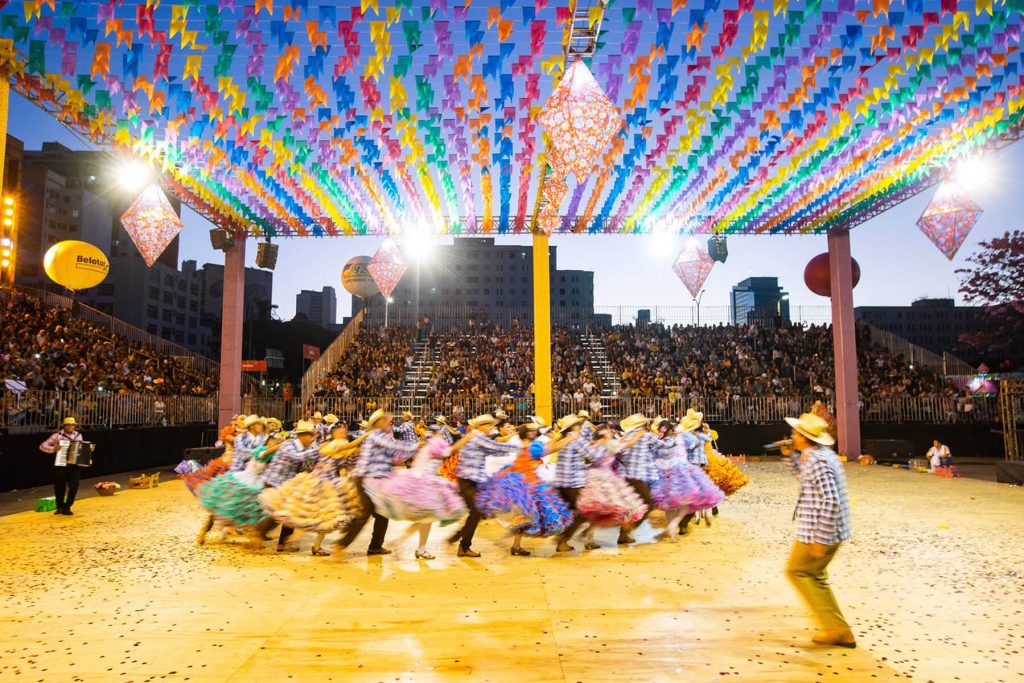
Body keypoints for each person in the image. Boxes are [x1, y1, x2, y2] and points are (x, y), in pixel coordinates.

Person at [781, 413, 855, 649]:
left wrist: (821, 540)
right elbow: (805, 480)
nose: (792, 436)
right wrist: (789, 457)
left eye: (795, 433)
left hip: (819, 532)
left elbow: (831, 500)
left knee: (798, 572)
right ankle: (838, 628)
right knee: (815, 576)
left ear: (804, 438)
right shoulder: (815, 456)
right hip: (823, 529)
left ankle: (838, 630)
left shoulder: (818, 461)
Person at [335, 409, 420, 556]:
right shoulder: (377, 436)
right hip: (367, 480)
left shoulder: (383, 436)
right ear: (379, 423)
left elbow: (397, 451)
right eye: (387, 421)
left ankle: (375, 546)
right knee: (365, 514)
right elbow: (396, 447)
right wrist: (417, 446)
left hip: (373, 480)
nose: (390, 423)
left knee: (382, 514)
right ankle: (341, 545)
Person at [447, 414, 521, 557]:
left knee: (478, 512)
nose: (491, 428)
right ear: (480, 426)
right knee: (477, 512)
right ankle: (463, 544)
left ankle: (461, 539)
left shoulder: (475, 437)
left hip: (471, 480)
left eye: (492, 425)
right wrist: (521, 447)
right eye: (488, 425)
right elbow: (496, 447)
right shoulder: (478, 437)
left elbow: (494, 451)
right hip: (468, 481)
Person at [39, 417, 85, 515]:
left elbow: (80, 449)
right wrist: (53, 449)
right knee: (59, 486)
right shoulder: (56, 436)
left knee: (74, 486)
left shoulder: (79, 436)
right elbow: (43, 446)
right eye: (68, 425)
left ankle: (67, 506)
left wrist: (88, 449)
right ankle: (60, 506)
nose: (71, 426)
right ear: (64, 426)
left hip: (75, 465)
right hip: (61, 464)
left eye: (72, 425)